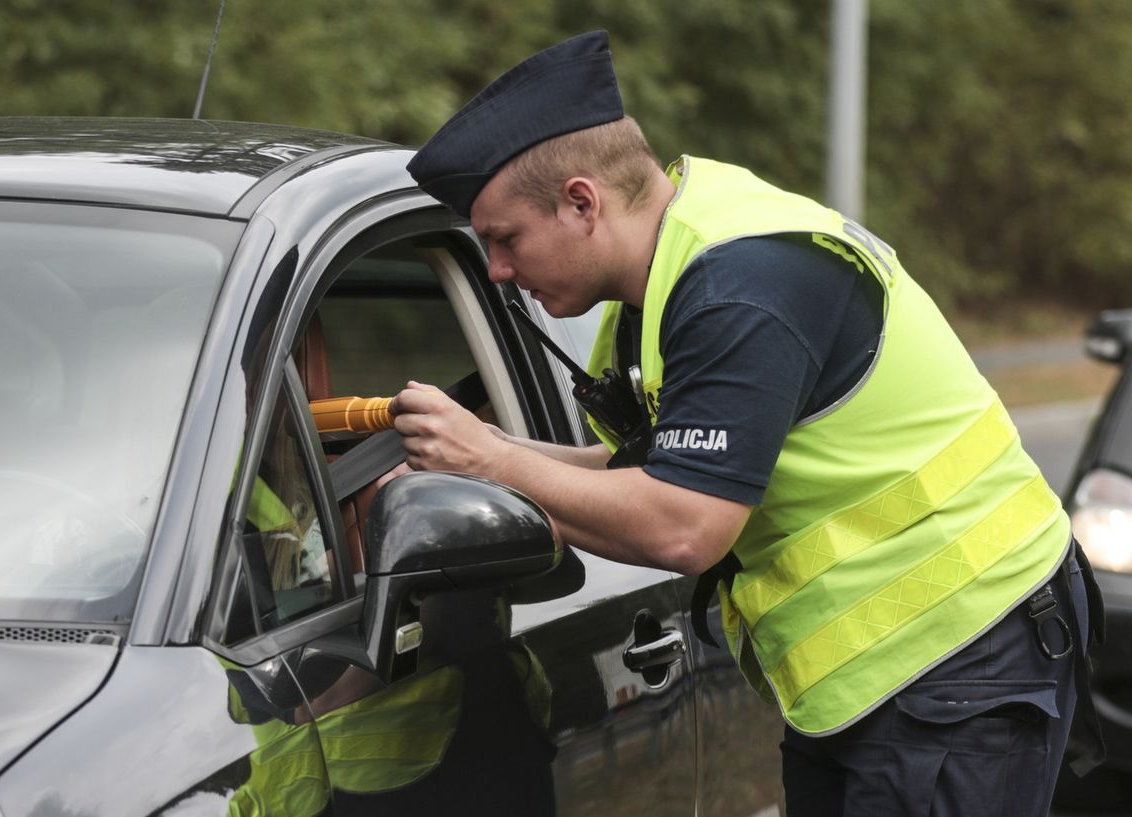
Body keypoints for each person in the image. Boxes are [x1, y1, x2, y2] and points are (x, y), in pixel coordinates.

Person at [393, 30, 1103, 816]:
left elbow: (685, 525)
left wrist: (492, 463)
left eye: (504, 238)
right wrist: (477, 453)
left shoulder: (740, 284)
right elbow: (645, 476)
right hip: (872, 679)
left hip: (962, 648)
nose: (496, 268)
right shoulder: (661, 284)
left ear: (582, 202)